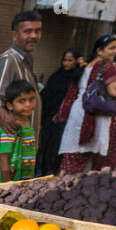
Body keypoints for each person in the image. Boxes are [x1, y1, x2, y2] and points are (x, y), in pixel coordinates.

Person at [0, 10, 42, 185]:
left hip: (23, 149)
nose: (33, 35)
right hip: (8, 150)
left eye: (37, 31)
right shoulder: (8, 60)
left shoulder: (25, 60)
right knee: (0, 196)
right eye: (27, 31)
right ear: (14, 35)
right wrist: (5, 116)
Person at [57, 33, 116, 174]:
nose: (115, 51)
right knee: (103, 163)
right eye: (111, 48)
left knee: (74, 159)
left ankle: (64, 188)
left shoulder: (85, 66)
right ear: (99, 51)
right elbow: (115, 91)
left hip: (79, 113)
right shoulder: (108, 67)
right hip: (99, 116)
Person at [37, 49, 80, 177]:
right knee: (43, 145)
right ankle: (39, 172)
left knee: (55, 147)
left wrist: (82, 66)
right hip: (48, 116)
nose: (66, 63)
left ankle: (50, 172)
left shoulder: (76, 77)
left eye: (70, 60)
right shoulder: (57, 75)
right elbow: (47, 94)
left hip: (64, 119)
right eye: (65, 60)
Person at [0, 80, 38, 183]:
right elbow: (4, 158)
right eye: (22, 101)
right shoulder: (11, 128)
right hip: (13, 181)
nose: (28, 105)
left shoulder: (28, 123)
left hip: (25, 179)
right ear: (10, 105)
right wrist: (7, 186)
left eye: (31, 99)